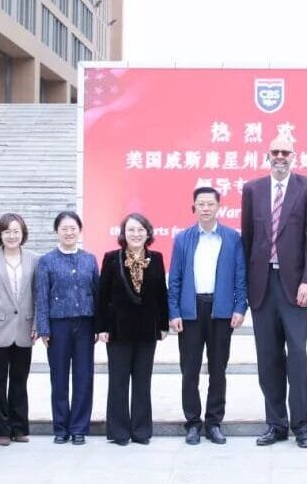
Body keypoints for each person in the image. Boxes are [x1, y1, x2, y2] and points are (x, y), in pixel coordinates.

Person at [240, 136, 307, 448]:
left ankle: (302, 426)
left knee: (298, 358)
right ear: (267, 155)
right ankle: (276, 425)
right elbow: (248, 239)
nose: (279, 156)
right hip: (262, 287)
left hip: (295, 287)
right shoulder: (252, 189)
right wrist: (247, 286)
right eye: (274, 152)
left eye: (285, 152)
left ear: (294, 155)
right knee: (268, 358)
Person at [168, 187, 247, 446]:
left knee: (218, 369)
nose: (205, 208)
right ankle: (192, 422)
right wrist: (174, 312)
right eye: (200, 203)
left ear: (218, 207)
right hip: (191, 311)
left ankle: (214, 422)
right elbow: (176, 279)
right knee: (189, 369)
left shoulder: (232, 238)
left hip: (221, 311)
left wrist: (239, 308)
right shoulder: (183, 239)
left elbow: (240, 276)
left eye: (210, 204)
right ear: (194, 207)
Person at [96, 212, 169, 445]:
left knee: (142, 381)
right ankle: (118, 431)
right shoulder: (111, 258)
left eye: (140, 230)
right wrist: (102, 327)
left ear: (147, 233)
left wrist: (164, 325)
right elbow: (102, 295)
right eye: (131, 230)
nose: (136, 234)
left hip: (147, 330)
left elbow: (161, 295)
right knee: (118, 381)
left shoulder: (156, 258)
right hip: (118, 331)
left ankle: (141, 431)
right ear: (123, 234)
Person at [34, 211, 99, 445]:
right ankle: (60, 427)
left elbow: (97, 293)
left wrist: (99, 326)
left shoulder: (90, 259)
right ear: (56, 232)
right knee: (59, 377)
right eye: (64, 228)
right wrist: (43, 328)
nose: (69, 232)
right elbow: (41, 296)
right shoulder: (46, 261)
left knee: (83, 376)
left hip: (85, 324)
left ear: (79, 230)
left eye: (73, 228)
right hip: (57, 325)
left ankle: (79, 427)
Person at [0, 213, 39, 446]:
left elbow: (37, 294)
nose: (12, 236)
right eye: (7, 232)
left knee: (20, 380)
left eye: (16, 231)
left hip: (24, 327)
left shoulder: (34, 259)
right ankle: (1, 429)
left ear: (23, 233)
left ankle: (20, 427)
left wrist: (36, 324)